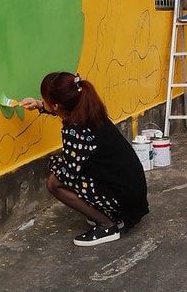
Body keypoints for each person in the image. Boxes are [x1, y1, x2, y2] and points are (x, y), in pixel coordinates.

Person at [20, 72, 149, 247]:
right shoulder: (89, 111)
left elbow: (70, 176)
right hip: (132, 192)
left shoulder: (75, 132)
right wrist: (40, 105)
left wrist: (52, 163)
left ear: (57, 105)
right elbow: (61, 108)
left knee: (53, 182)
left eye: (45, 100)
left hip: (123, 198)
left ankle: (107, 225)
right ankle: (112, 215)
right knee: (68, 170)